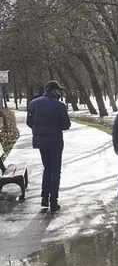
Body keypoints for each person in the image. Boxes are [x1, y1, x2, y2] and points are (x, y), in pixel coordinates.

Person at [26, 80, 71, 211]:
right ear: (54, 91)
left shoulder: (33, 103)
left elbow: (29, 122)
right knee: (55, 171)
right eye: (59, 90)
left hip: (41, 142)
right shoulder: (59, 105)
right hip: (55, 141)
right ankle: (53, 201)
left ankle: (44, 198)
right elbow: (66, 125)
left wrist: (39, 131)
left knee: (47, 169)